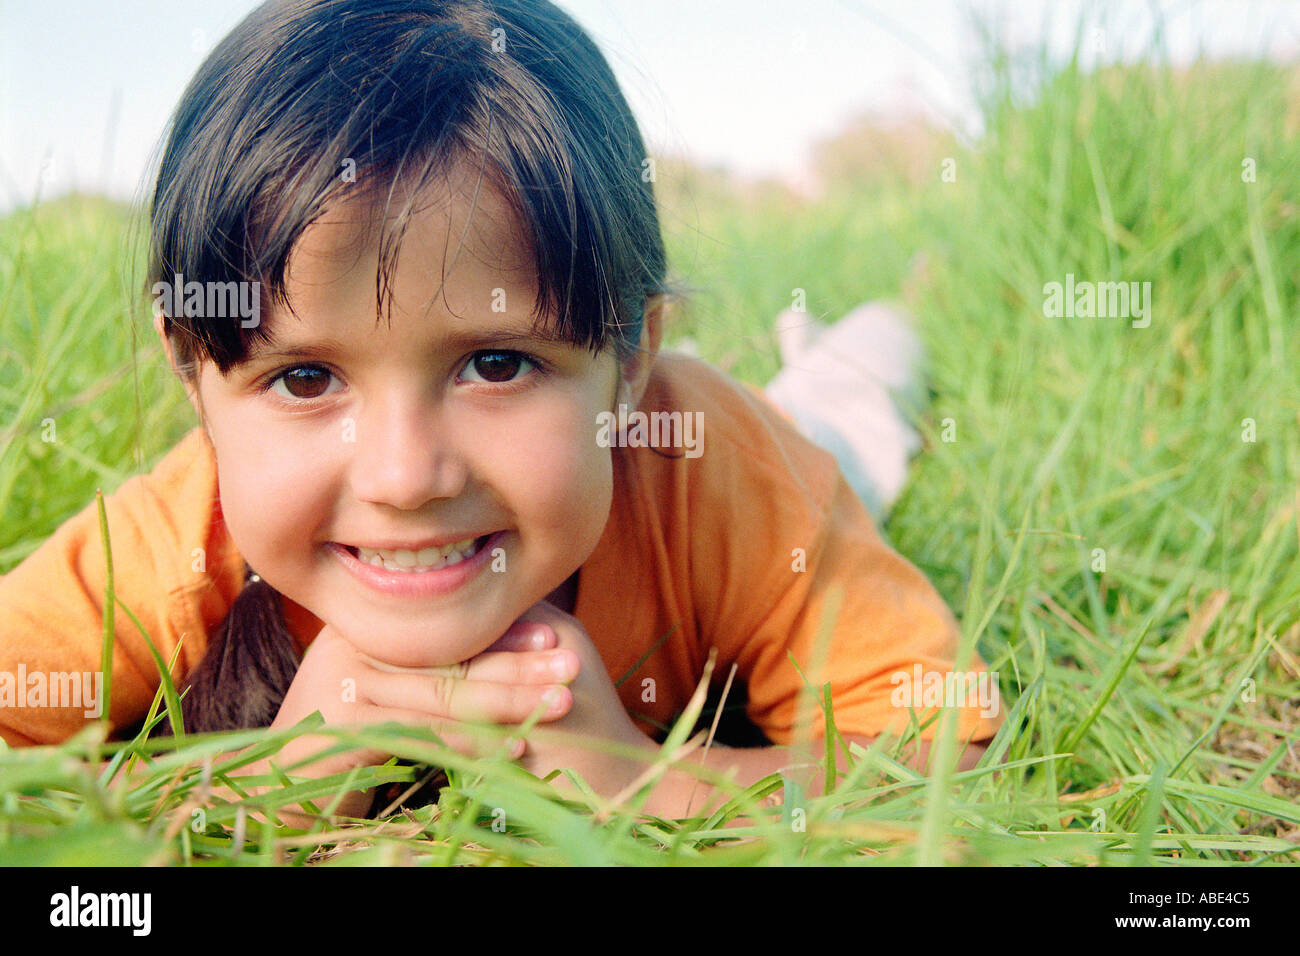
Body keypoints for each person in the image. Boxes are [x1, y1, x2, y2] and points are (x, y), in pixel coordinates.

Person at [0, 0, 1002, 819]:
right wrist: (259, 787)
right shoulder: (176, 540)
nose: (402, 476)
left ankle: (876, 326)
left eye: (494, 362)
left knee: (859, 385)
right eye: (306, 378)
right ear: (196, 380)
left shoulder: (736, 475)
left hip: (750, 440)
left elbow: (939, 745)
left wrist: (646, 780)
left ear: (626, 354)